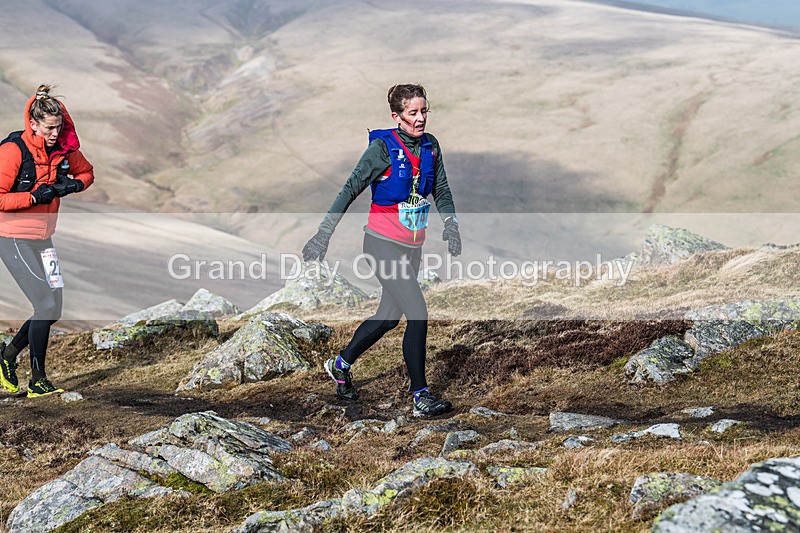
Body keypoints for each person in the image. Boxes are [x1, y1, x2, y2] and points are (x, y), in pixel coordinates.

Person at [302, 83, 461, 417]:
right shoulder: (382, 148)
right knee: (417, 311)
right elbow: (349, 189)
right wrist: (323, 234)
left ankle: (340, 364)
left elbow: (441, 190)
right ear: (397, 116)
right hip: (381, 244)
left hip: (411, 248)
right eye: (412, 113)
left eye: (424, 111)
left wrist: (451, 224)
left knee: (389, 317)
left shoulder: (431, 147)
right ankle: (420, 396)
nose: (420, 118)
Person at [0, 84, 94, 397]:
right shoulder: (13, 151)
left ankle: (6, 357)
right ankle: (37, 381)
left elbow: (87, 173)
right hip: (13, 237)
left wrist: (72, 187)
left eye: (60, 127)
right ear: (34, 125)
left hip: (43, 237)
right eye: (50, 128)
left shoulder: (63, 149)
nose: (56, 134)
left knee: (54, 310)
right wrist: (33, 196)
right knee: (43, 305)